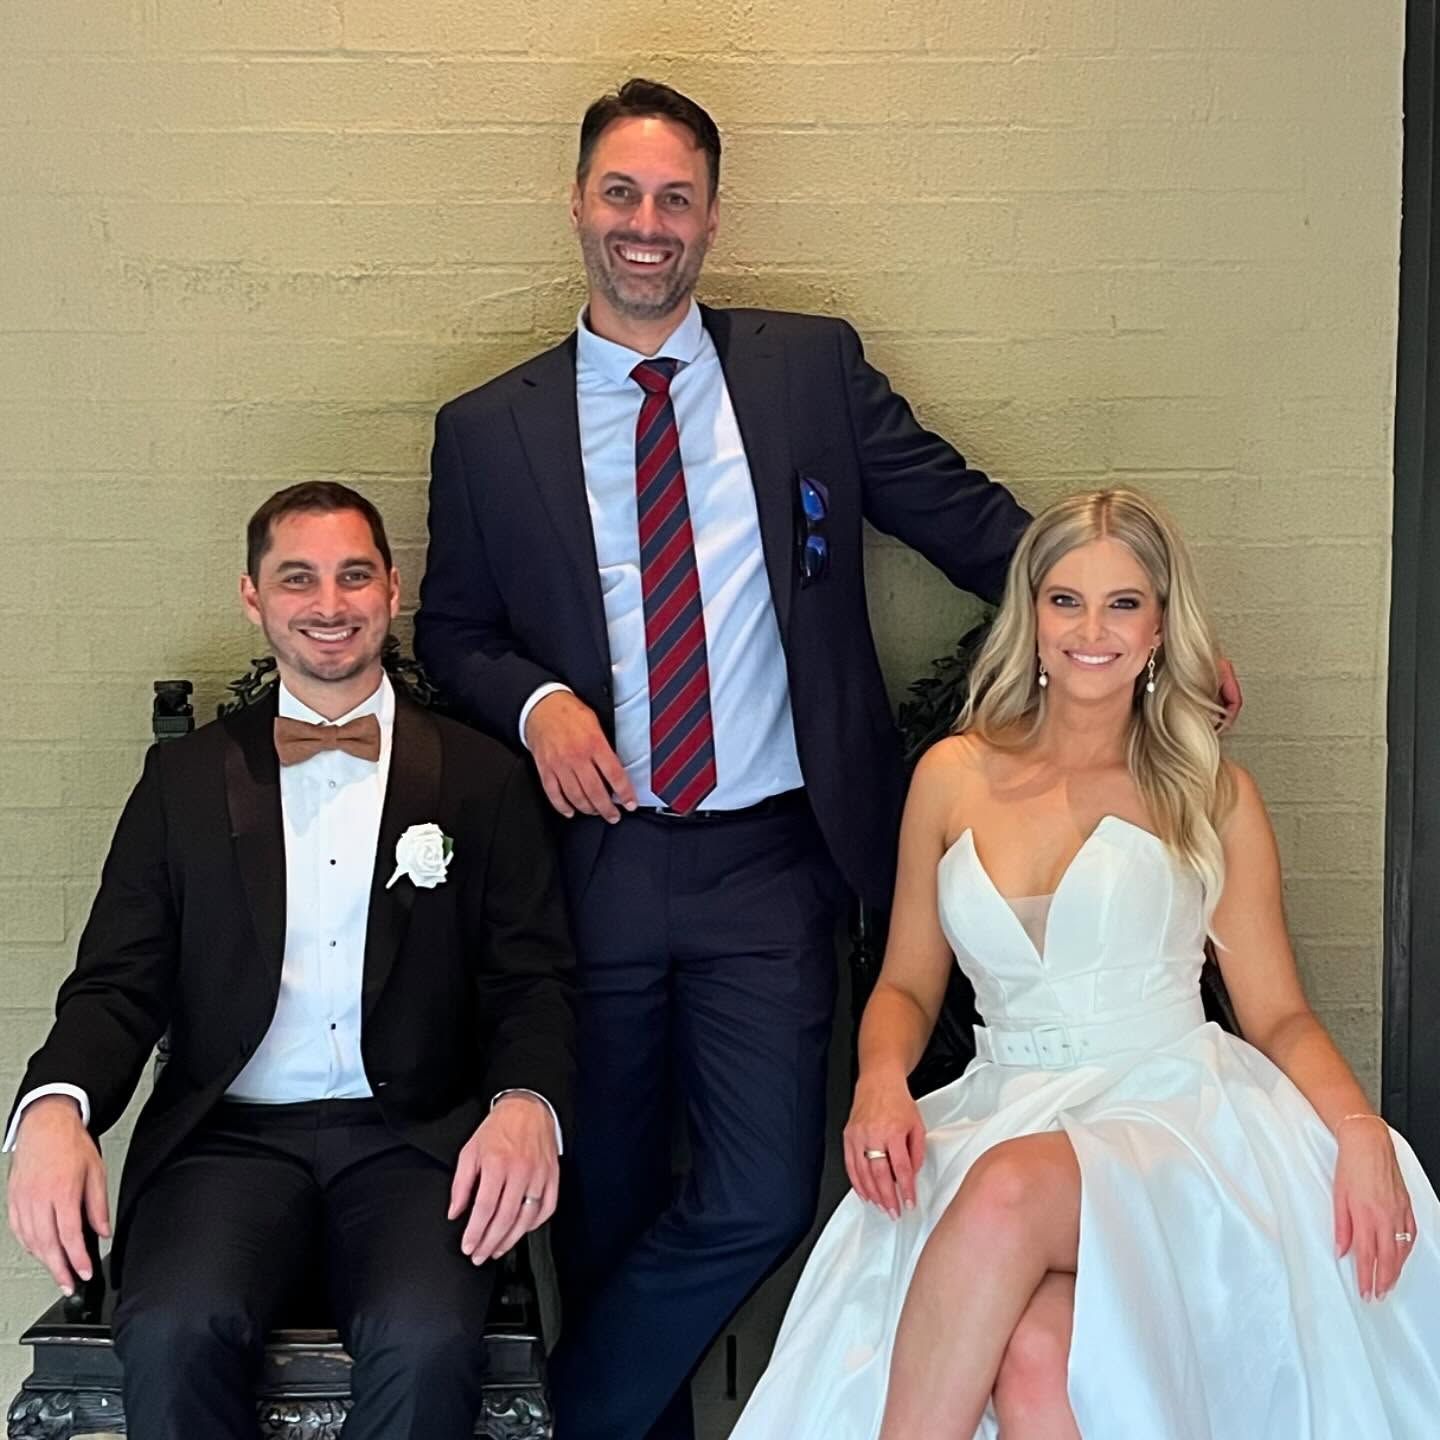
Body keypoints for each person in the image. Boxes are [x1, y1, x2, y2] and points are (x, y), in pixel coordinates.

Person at [411, 76, 1055, 1440]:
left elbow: (963, 518)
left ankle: (566, 1421)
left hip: (773, 859)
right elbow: (454, 630)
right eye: (621, 193)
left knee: (762, 1196)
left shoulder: (805, 370)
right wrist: (538, 705)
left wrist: (1138, 621)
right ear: (576, 205)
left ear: (712, 218)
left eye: (676, 198)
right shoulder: (486, 429)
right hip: (595, 865)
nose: (646, 224)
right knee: (602, 1210)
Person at [731, 487, 1440, 1439]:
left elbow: (1278, 1015)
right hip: (1004, 1102)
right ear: (1031, 618)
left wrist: (1357, 1131)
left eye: (1123, 603)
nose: (1091, 631)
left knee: (1004, 1192)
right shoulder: (952, 776)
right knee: (1037, 1359)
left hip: (1172, 1114)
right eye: (1065, 601)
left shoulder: (1211, 792)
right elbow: (904, 983)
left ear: (1160, 627)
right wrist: (880, 1080)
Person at [5, 481, 576, 1440]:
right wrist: (55, 1108)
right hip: (227, 1142)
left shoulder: (483, 778)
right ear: (253, 596)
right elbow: (116, 983)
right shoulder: (184, 781)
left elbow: (533, 982)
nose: (328, 603)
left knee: (425, 1341)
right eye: (297, 578)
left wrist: (527, 1103)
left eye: (354, 576)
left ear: (391, 590)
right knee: (175, 1329)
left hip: (412, 1144)